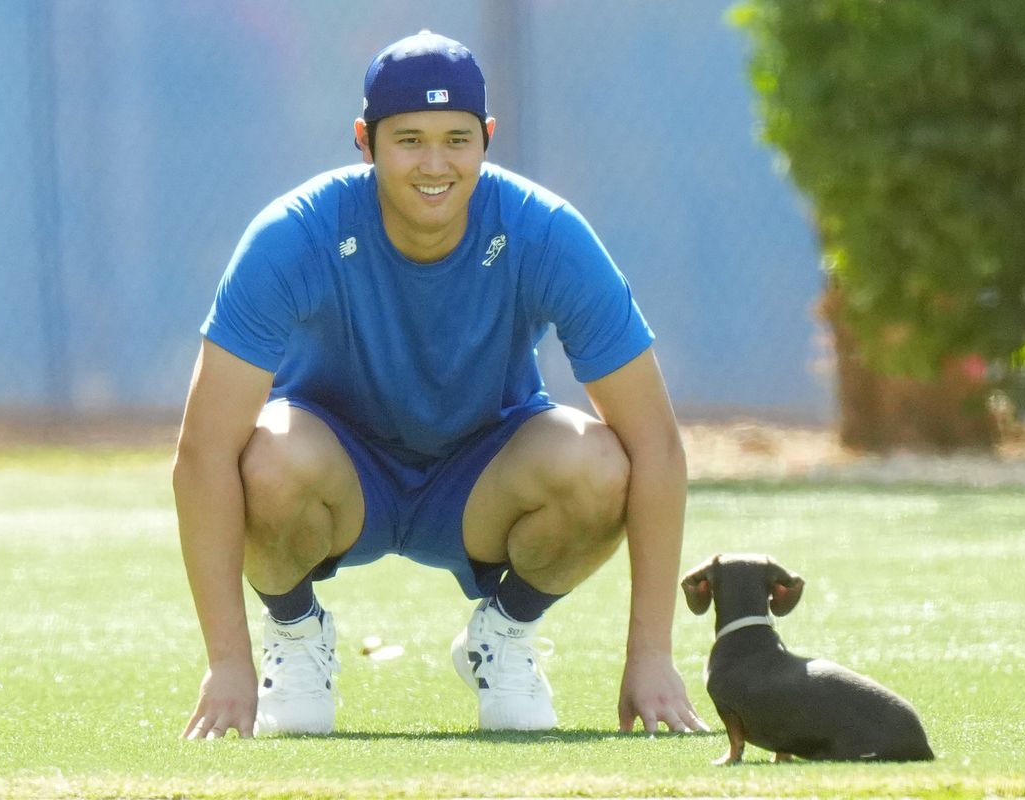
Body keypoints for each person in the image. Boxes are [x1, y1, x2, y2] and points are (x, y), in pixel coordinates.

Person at [174, 29, 705, 739]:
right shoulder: (294, 234)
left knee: (604, 465)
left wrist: (651, 656)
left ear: (487, 138)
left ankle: (505, 635)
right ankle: (294, 635)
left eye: (457, 139)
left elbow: (659, 450)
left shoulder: (545, 233)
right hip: (339, 478)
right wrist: (228, 661)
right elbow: (202, 455)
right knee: (260, 456)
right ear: (365, 140)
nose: (434, 164)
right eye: (409, 139)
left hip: (484, 479)